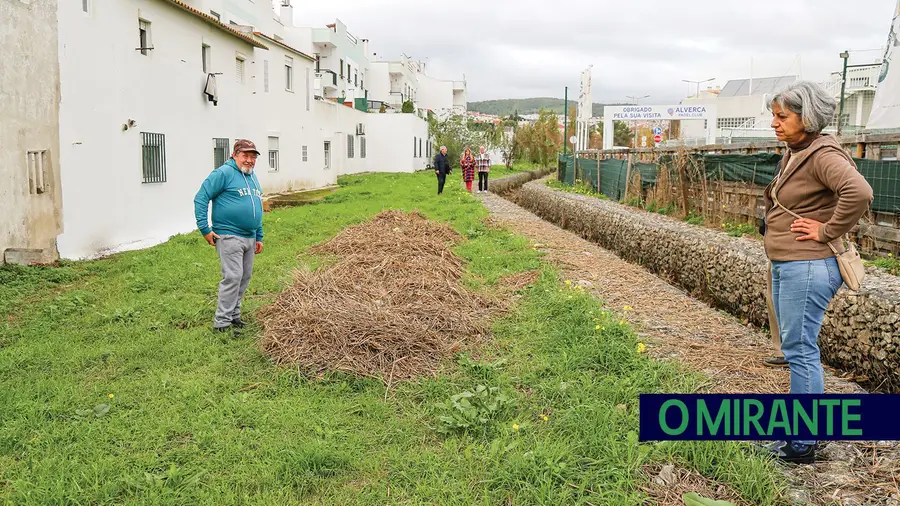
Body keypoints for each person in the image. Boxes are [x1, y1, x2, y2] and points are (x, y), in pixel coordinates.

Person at [761, 81, 872, 463]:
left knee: (801, 351)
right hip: (791, 262)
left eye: (782, 116)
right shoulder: (798, 150)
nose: (774, 123)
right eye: (773, 115)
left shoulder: (823, 154)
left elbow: (859, 193)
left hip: (808, 265)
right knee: (796, 349)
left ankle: (802, 442)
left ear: (807, 118)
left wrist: (826, 230)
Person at [194, 139, 265, 335]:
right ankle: (221, 322)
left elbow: (256, 206)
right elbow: (201, 197)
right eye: (245, 155)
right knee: (233, 276)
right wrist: (204, 228)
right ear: (234, 155)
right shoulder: (223, 173)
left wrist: (259, 235)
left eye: (253, 156)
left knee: (244, 277)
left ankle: (234, 315)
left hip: (249, 237)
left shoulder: (252, 177)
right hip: (229, 234)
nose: (249, 160)